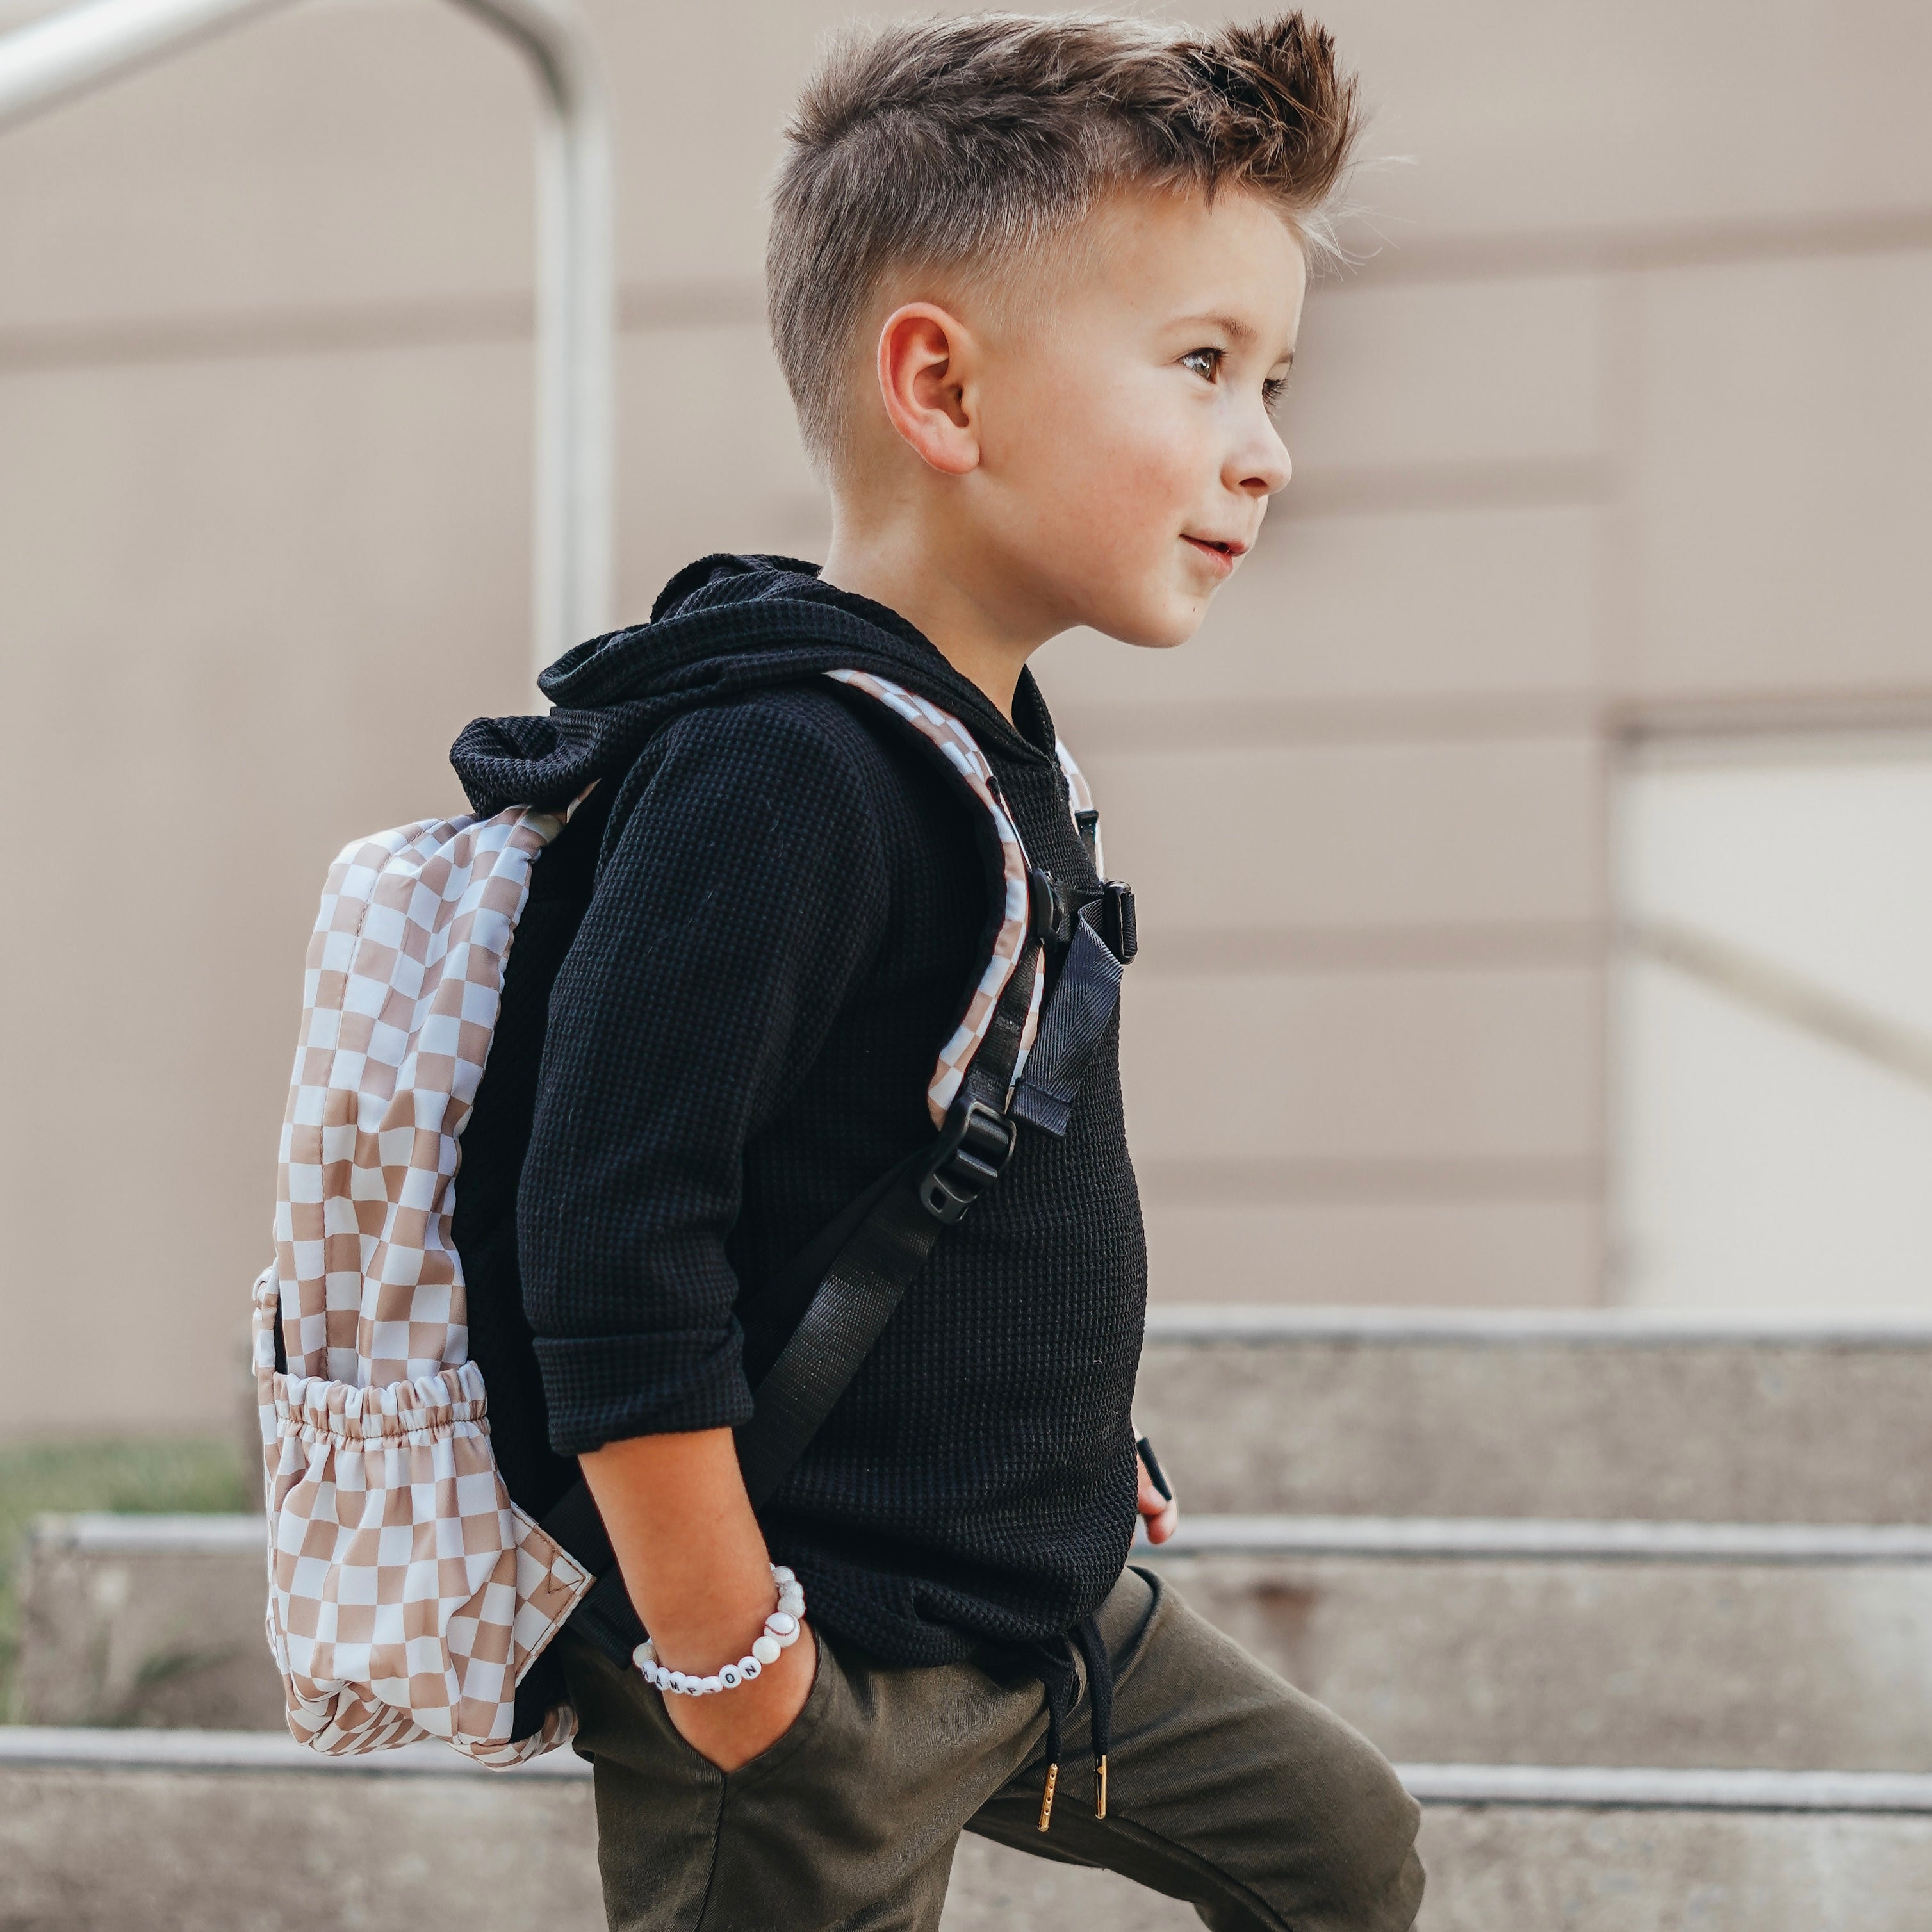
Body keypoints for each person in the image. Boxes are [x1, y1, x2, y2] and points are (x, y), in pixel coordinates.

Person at [450, 13, 1424, 1929]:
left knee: (1342, 1849)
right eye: (1206, 365)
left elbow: (927, 1152)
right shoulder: (780, 766)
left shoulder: (984, 746)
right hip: (813, 1662)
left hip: (1031, 1608)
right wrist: (732, 1662)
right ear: (942, 388)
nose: (1269, 452)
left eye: (1275, 379)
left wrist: (1050, 1440)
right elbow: (611, 1230)